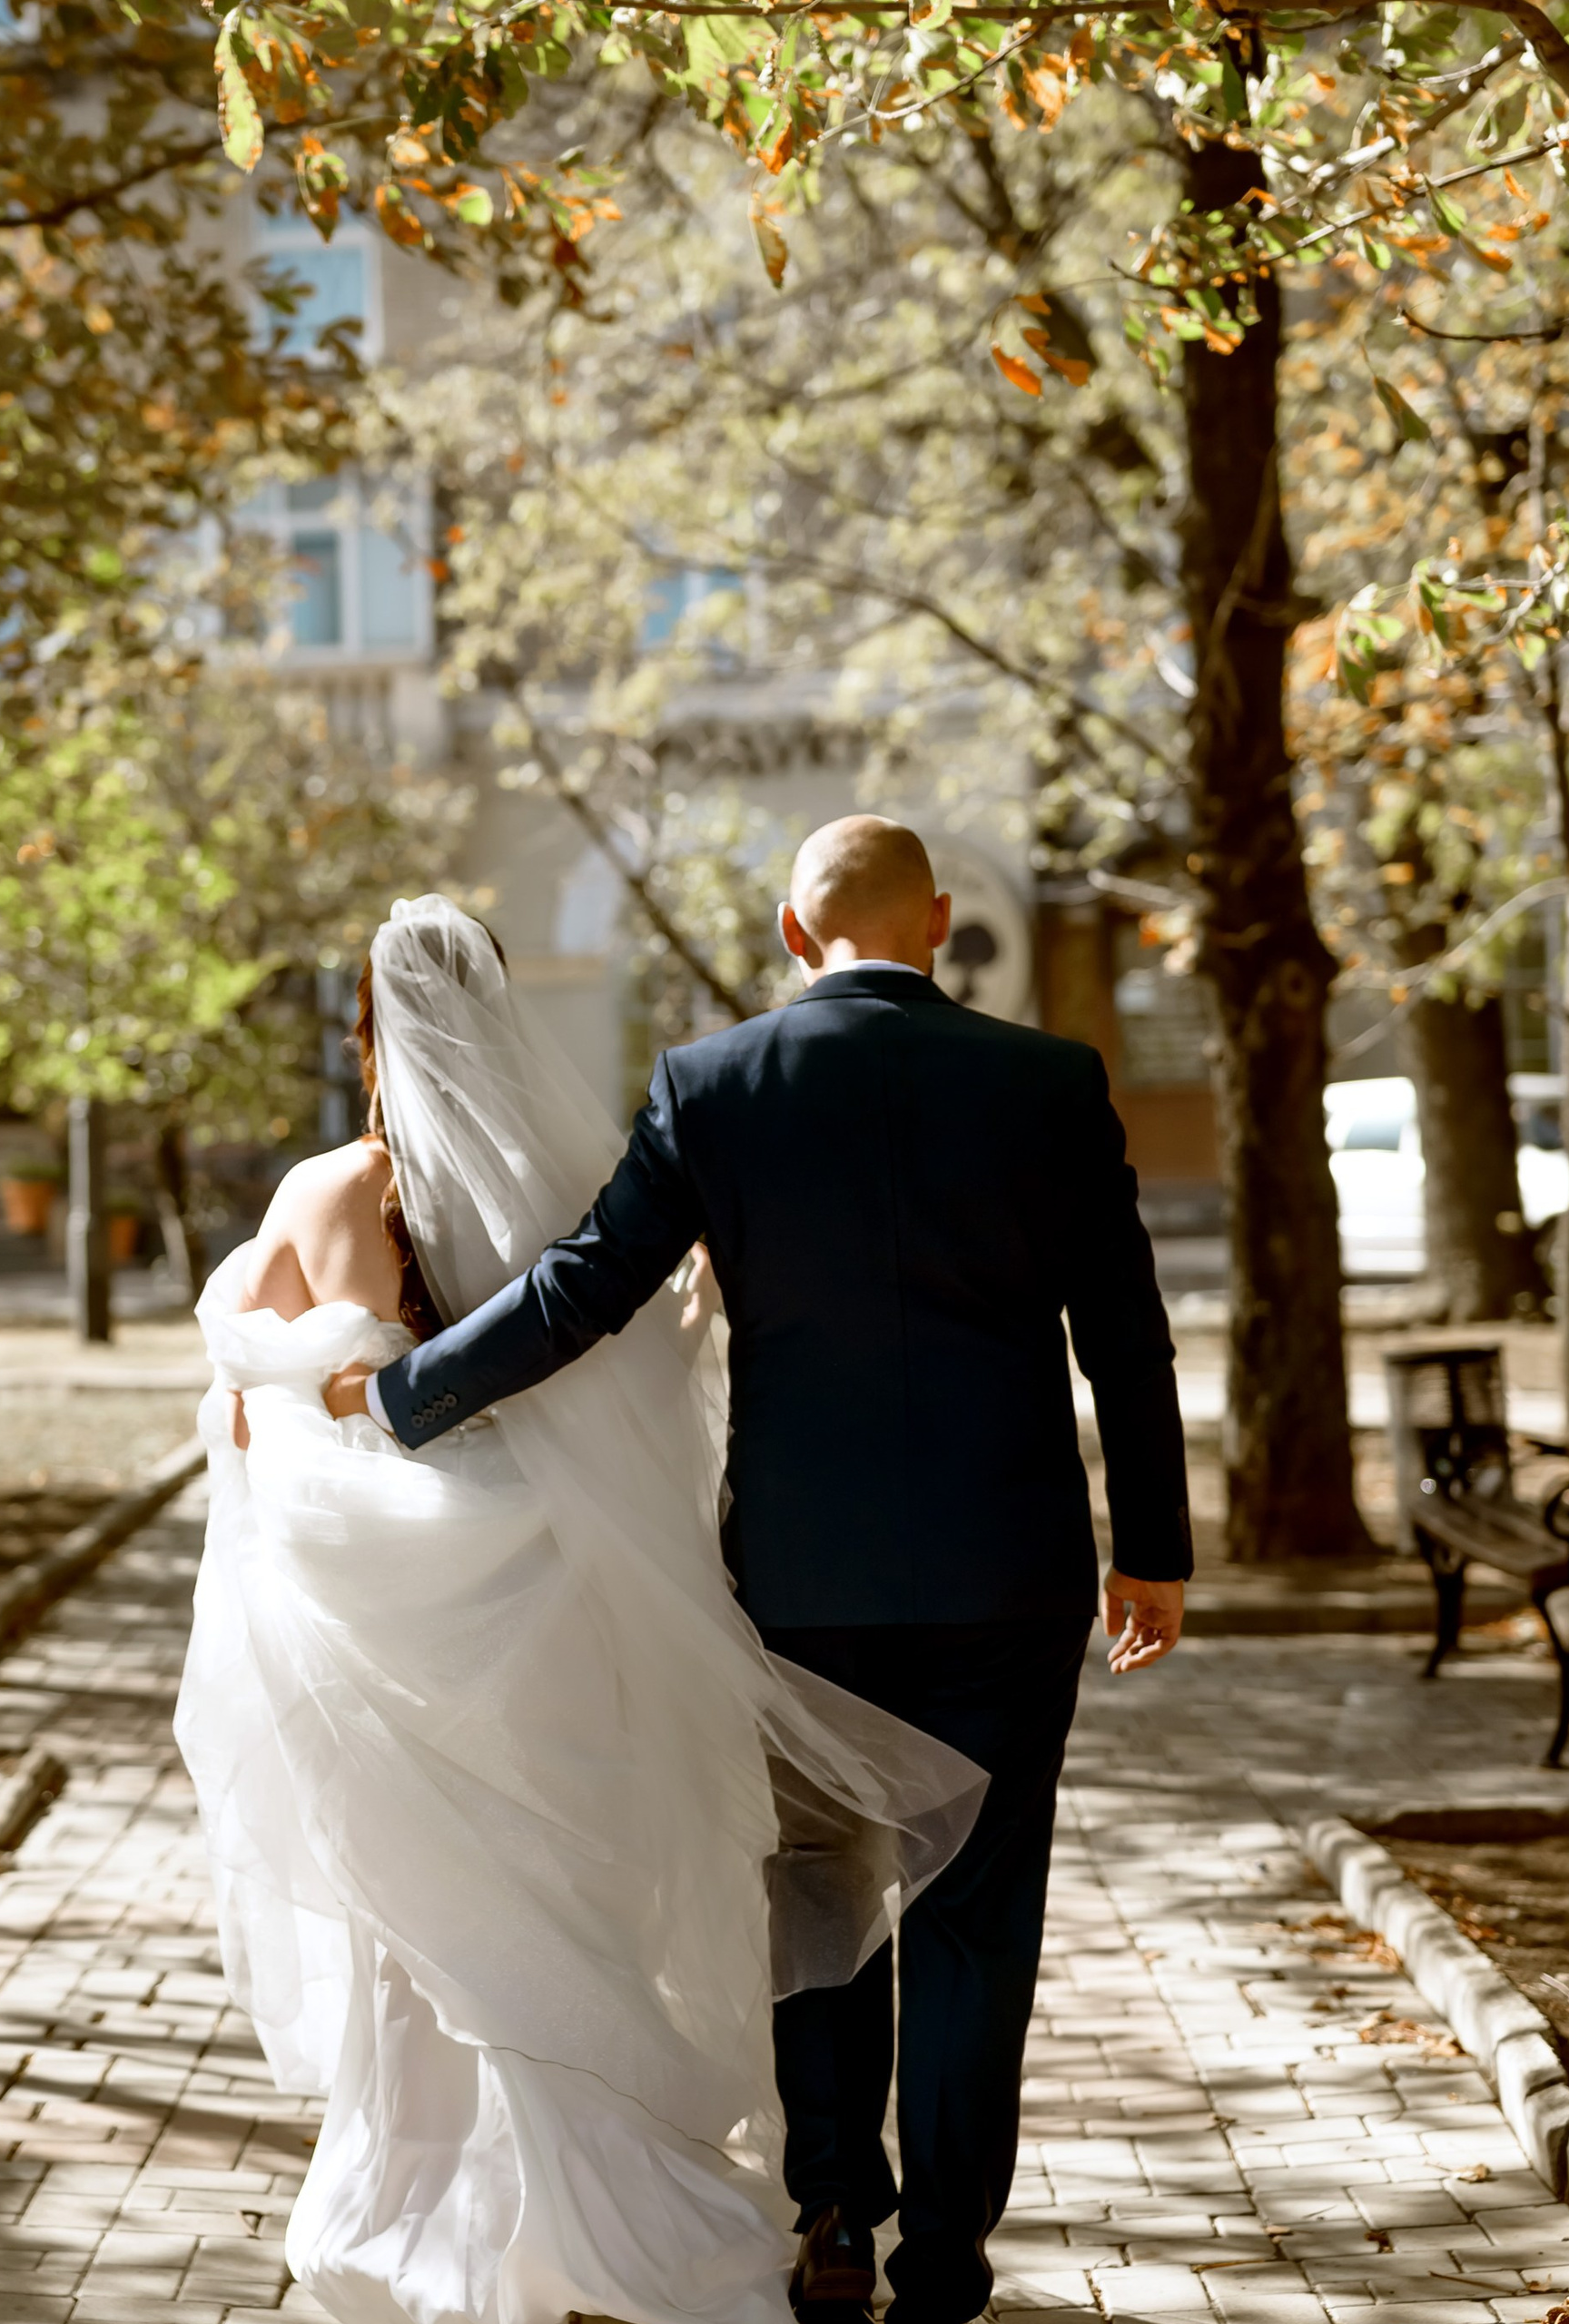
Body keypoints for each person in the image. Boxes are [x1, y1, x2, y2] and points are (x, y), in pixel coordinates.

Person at [331, 819, 1192, 2324]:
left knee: (820, 1896)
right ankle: (949, 2268)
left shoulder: (710, 1085)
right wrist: (1158, 1558)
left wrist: (406, 1399)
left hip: (800, 1578)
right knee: (978, 1919)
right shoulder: (1048, 1084)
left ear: (794, 938)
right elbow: (1125, 1335)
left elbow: (587, 1287)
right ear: (934, 923)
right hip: (1011, 1573)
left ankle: (836, 2214)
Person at [175, 893, 988, 2324]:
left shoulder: (318, 1193)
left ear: (366, 1019)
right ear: (501, 1012)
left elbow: (257, 1398)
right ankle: (609, 2230)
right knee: (562, 1911)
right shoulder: (569, 1186)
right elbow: (629, 1352)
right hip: (546, 1605)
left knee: (415, 1934)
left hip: (389, 1632)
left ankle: (416, 2223)